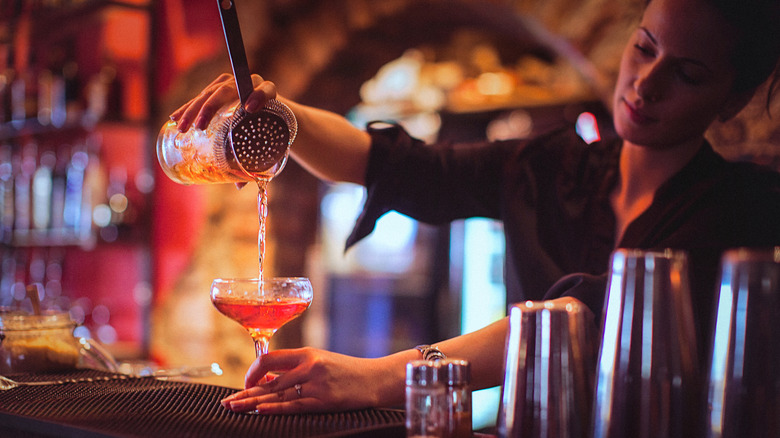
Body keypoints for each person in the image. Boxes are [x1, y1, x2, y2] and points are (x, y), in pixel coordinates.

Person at [170, 0, 780, 414]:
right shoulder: (552, 166)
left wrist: (375, 378)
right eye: (644, 48)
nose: (647, 83)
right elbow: (389, 165)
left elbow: (586, 320)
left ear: (733, 100)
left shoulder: (746, 210)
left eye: (689, 75)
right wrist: (279, 113)